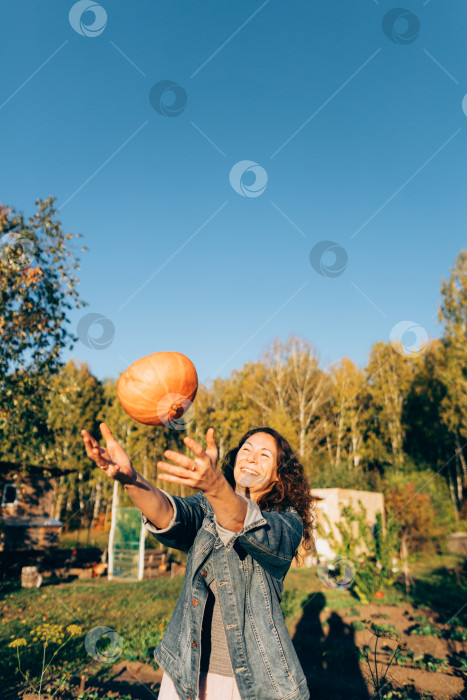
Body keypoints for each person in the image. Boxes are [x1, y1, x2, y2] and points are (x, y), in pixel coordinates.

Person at [81, 423, 314, 700]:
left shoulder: (286, 522)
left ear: (278, 475)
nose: (252, 458)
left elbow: (243, 522)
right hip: (187, 673)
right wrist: (131, 479)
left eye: (265, 455)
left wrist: (216, 486)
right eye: (247, 449)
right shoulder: (206, 505)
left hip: (249, 685)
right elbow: (168, 513)